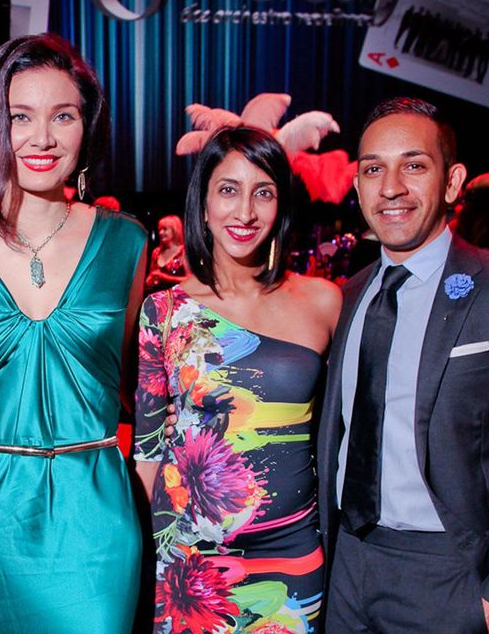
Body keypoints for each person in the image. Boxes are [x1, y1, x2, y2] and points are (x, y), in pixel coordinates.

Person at [0, 33, 147, 633]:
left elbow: (132, 384)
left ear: (86, 127)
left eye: (62, 116)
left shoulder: (127, 243)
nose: (42, 139)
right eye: (21, 116)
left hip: (95, 525)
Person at [318, 97, 489, 634]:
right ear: (357, 185)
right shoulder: (346, 296)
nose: (391, 187)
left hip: (453, 574)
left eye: (414, 165)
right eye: (373, 169)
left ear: (452, 182)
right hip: (348, 566)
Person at [134, 127, 341, 634]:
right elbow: (147, 448)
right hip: (189, 563)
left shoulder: (324, 302)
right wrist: (153, 555)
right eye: (228, 189)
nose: (245, 212)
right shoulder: (164, 310)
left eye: (263, 192)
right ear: (202, 203)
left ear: (281, 205)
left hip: (291, 554)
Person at [144, 214, 189, 293]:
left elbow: (190, 279)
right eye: (159, 229)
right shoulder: (156, 252)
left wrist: (165, 277)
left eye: (164, 229)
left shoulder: (183, 251)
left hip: (178, 298)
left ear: (175, 230)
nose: (161, 233)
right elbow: (152, 277)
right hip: (158, 298)